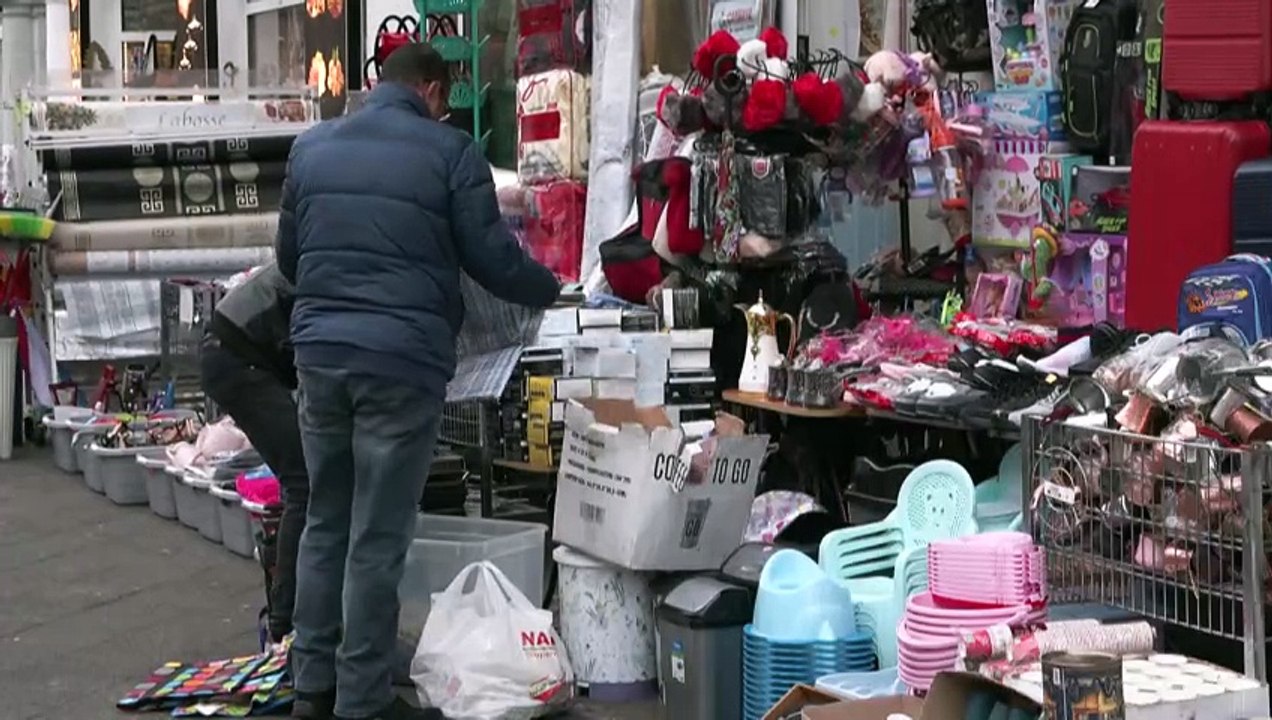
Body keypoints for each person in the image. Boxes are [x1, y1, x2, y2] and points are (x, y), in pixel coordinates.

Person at [275, 44, 561, 720]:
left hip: (320, 356)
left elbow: (289, 258)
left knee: (325, 520)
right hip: (400, 362)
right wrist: (549, 287)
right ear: (432, 90)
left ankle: (311, 687)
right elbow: (491, 257)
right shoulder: (450, 152)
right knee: (377, 535)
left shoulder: (310, 148)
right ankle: (362, 699)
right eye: (447, 100)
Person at [199, 263, 306, 644]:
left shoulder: (323, 251)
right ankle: (284, 621)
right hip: (238, 357)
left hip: (234, 350)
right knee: (303, 481)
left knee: (303, 477)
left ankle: (290, 608)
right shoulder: (328, 266)